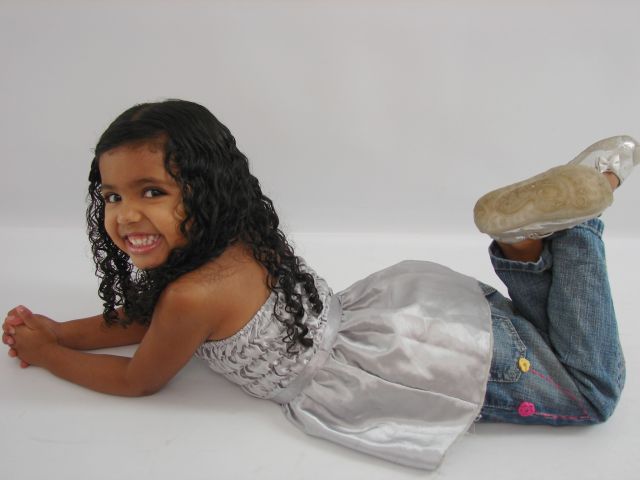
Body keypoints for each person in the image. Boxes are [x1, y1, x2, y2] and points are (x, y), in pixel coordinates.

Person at [2, 100, 636, 470]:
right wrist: (61, 330)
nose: (126, 215)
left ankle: (575, 232)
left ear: (202, 188)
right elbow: (147, 320)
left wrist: (47, 353)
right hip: (417, 321)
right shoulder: (234, 238)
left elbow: (138, 379)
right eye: (113, 196)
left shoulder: (191, 296)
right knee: (540, 336)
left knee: (591, 393)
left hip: (420, 366)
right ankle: (525, 245)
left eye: (151, 192)